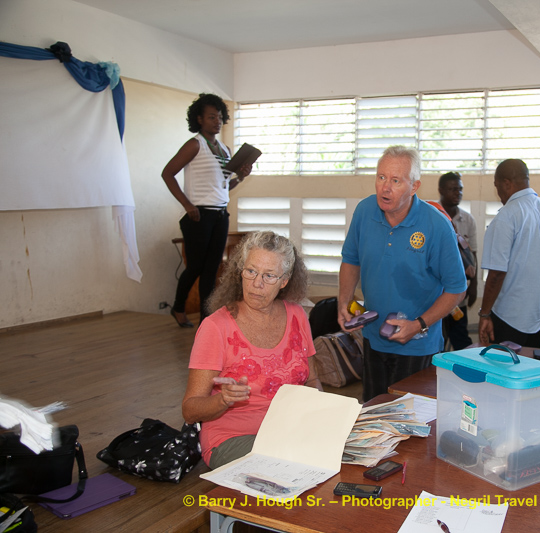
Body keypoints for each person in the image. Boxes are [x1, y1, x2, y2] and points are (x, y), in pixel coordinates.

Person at [181, 231, 322, 469]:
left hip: (289, 431)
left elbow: (312, 380)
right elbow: (190, 410)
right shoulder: (216, 327)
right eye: (251, 271)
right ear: (240, 271)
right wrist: (223, 400)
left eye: (269, 275)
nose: (257, 283)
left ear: (284, 281)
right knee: (294, 461)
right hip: (233, 438)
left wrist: (322, 413)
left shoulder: (297, 315)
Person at [338, 146, 466, 402]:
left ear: (414, 186)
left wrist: (418, 325)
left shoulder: (436, 226)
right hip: (373, 338)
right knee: (374, 412)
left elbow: (456, 289)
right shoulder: (364, 211)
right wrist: (343, 300)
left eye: (396, 181)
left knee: (410, 418)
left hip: (418, 346)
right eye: (381, 177)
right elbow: (351, 260)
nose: (385, 188)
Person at [162, 93, 252, 328]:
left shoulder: (224, 149)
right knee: (195, 268)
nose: (217, 121)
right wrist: (187, 205)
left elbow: (223, 186)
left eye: (220, 117)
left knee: (212, 270)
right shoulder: (195, 145)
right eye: (212, 117)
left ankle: (206, 320)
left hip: (220, 215)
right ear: (199, 119)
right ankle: (178, 307)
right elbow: (167, 173)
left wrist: (241, 177)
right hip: (198, 215)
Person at [478, 159, 540, 349]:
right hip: (539, 315)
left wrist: (484, 314)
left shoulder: (506, 216)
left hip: (510, 316)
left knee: (501, 366)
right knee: (528, 364)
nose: (498, 193)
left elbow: (497, 273)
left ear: (506, 183)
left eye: (497, 186)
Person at [438, 172, 478, 350]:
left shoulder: (468, 220)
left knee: (460, 337)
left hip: (458, 291)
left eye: (460, 189)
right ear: (441, 190)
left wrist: (474, 285)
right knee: (438, 338)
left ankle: (465, 367)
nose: (458, 193)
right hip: (435, 292)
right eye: (453, 189)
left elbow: (473, 254)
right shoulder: (432, 215)